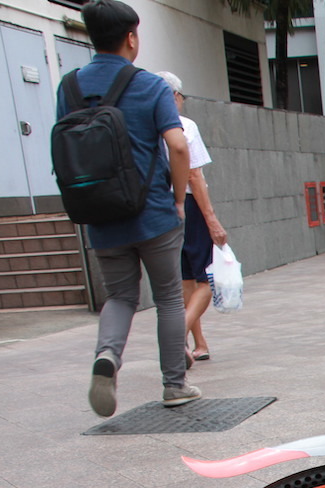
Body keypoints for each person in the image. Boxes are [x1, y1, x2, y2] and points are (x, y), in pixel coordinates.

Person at [60, 0, 197, 416]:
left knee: (119, 296)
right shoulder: (150, 85)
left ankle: (108, 357)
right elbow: (177, 145)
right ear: (131, 37)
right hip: (152, 211)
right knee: (169, 297)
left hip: (100, 213)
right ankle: (175, 384)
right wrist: (177, 199)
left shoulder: (69, 87)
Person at [156, 71, 227, 364]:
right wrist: (212, 220)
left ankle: (198, 343)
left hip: (157, 206)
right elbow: (195, 175)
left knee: (185, 279)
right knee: (205, 281)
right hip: (187, 202)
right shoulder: (183, 126)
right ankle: (176, 339)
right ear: (174, 97)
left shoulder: (143, 126)